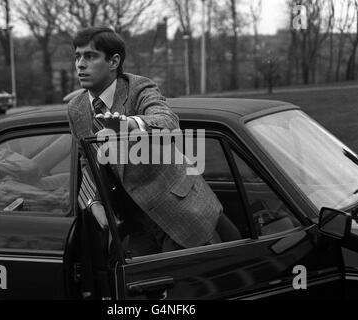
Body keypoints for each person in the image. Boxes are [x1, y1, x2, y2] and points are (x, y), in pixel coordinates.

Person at [67, 27, 240, 257]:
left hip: (181, 211)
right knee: (135, 285)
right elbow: (86, 158)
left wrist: (130, 125)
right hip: (135, 222)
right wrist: (92, 202)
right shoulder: (76, 109)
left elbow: (168, 121)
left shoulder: (138, 88)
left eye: (90, 56)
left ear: (114, 61)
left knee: (196, 284)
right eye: (77, 56)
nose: (80, 64)